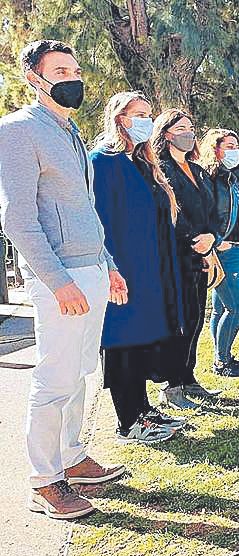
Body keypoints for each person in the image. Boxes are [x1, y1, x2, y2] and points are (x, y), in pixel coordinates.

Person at [0, 40, 126, 520]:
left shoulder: (69, 131)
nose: (73, 76)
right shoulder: (17, 131)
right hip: (61, 277)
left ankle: (72, 457)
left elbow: (86, 212)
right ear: (35, 78)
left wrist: (107, 263)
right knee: (54, 378)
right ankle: (45, 479)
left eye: (75, 67)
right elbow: (18, 218)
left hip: (89, 268)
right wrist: (57, 280)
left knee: (79, 374)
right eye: (60, 69)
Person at [91, 92, 187, 441]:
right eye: (138, 114)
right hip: (123, 271)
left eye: (149, 114)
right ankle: (127, 420)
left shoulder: (143, 162)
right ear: (119, 118)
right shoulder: (103, 161)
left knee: (142, 342)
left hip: (152, 269)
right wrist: (112, 268)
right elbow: (98, 222)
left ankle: (144, 410)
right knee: (123, 344)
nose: (146, 120)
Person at [153, 108, 221, 406]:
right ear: (166, 134)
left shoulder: (200, 171)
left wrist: (212, 239)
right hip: (178, 255)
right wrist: (196, 241)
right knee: (179, 321)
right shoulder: (161, 169)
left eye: (191, 127)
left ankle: (189, 378)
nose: (189, 133)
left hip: (202, 255)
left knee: (195, 319)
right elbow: (172, 213)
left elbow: (214, 211)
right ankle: (173, 384)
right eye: (182, 127)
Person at [200, 129, 239, 375]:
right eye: (228, 146)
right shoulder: (211, 177)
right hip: (225, 249)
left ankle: (221, 358)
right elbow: (205, 213)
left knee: (222, 308)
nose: (234, 151)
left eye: (236, 146)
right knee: (238, 306)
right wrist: (218, 241)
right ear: (215, 150)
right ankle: (222, 362)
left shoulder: (237, 176)